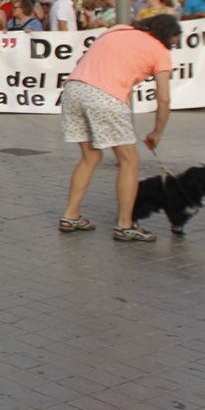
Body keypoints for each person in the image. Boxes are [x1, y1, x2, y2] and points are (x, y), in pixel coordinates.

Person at [57, 14, 180, 243]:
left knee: (90, 157)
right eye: (174, 40)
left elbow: (81, 62)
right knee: (129, 160)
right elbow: (163, 99)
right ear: (167, 35)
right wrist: (157, 132)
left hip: (74, 90)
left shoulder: (117, 30)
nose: (174, 44)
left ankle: (70, 215)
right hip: (106, 98)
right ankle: (125, 225)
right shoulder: (160, 51)